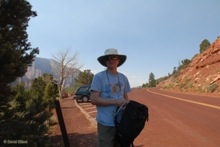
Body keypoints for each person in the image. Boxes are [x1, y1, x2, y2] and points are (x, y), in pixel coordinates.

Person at [90, 48, 131, 147]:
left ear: (118, 60)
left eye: (114, 57)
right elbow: (93, 99)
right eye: (108, 58)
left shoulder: (123, 78)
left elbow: (126, 97)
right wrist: (115, 102)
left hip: (122, 122)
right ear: (105, 61)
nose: (111, 60)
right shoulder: (98, 77)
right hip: (105, 123)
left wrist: (127, 104)